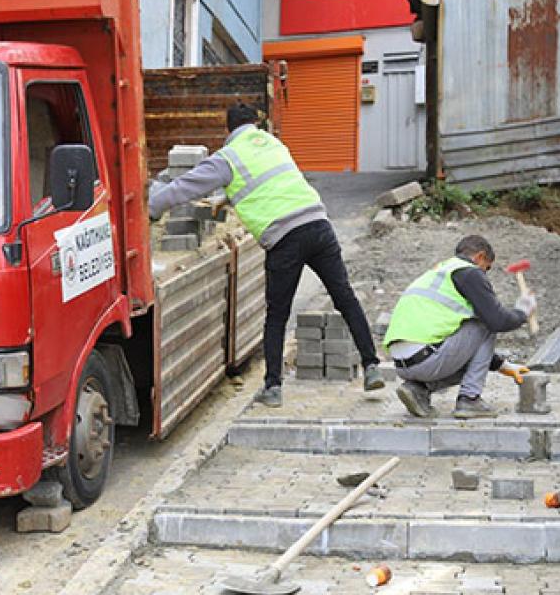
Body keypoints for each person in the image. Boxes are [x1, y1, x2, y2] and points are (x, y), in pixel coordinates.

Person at [148, 104, 381, 408]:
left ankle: (273, 387)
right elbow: (266, 183)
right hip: (319, 225)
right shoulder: (274, 145)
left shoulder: (228, 157)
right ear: (254, 124)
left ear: (228, 129)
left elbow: (184, 187)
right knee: (345, 297)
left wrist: (152, 207)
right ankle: (372, 365)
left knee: (277, 315)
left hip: (285, 238)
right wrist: (225, 198)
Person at [385, 234, 535, 419]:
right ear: (480, 257)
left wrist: (502, 365)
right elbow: (496, 320)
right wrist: (523, 312)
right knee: (484, 323)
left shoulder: (440, 271)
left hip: (403, 364)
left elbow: (464, 343)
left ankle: (418, 389)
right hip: (426, 359)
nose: (484, 274)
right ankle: (470, 399)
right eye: (486, 268)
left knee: (476, 322)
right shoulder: (470, 272)